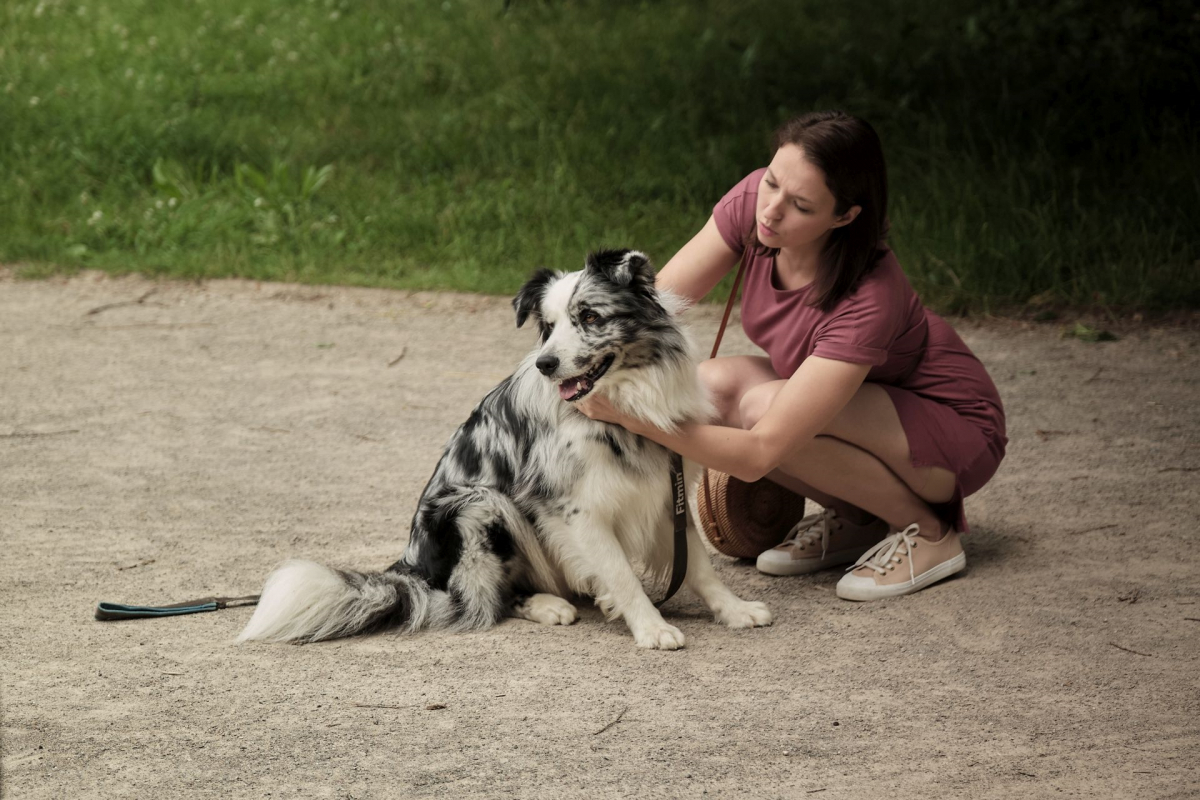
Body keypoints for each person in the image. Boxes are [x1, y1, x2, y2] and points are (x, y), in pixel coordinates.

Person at [576, 110, 1007, 601]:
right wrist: (575, 362)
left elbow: (760, 454)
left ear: (845, 216)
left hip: (950, 427)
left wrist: (634, 418)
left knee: (762, 411)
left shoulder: (870, 297)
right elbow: (654, 311)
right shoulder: (758, 205)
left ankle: (929, 533)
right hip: (870, 408)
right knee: (710, 386)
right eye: (773, 182)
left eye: (801, 205)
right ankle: (861, 517)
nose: (772, 210)